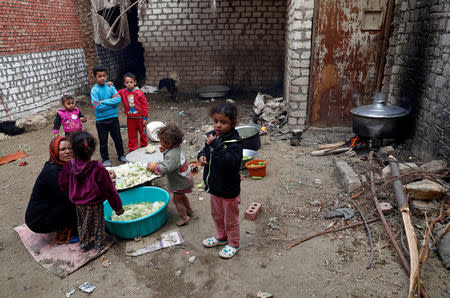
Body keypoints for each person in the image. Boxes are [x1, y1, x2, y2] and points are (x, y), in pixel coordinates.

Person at [58, 132, 124, 252]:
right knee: (98, 224)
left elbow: (62, 183)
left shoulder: (69, 166)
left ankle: (84, 245)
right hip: (95, 203)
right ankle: (99, 245)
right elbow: (110, 191)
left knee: (83, 224)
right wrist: (118, 208)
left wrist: (73, 190)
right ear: (93, 149)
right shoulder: (97, 168)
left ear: (74, 150)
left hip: (79, 204)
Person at [198, 102, 243, 259]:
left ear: (233, 123)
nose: (218, 125)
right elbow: (205, 149)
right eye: (216, 121)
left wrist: (216, 145)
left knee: (230, 219)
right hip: (215, 187)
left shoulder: (235, 143)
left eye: (223, 122)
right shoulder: (212, 136)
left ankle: (234, 243)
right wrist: (202, 156)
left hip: (229, 190)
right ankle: (221, 237)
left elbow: (230, 163)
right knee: (216, 215)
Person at [25, 137, 78, 243]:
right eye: (63, 149)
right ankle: (68, 233)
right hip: (38, 221)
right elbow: (71, 197)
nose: (67, 152)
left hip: (48, 208)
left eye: (70, 148)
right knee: (78, 204)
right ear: (55, 152)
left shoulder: (61, 165)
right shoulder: (52, 172)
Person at [147, 124, 194, 226]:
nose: (160, 143)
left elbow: (166, 168)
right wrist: (165, 151)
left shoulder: (172, 154)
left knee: (176, 200)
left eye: (161, 141)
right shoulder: (176, 148)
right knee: (182, 196)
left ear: (168, 143)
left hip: (180, 182)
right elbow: (173, 160)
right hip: (186, 179)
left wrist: (154, 167)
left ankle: (184, 217)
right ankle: (189, 211)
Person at [90, 65, 126, 167]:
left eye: (104, 76)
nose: (102, 78)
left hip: (113, 118)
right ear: (95, 77)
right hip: (101, 120)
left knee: (117, 138)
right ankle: (105, 158)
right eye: (99, 76)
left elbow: (118, 100)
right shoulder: (94, 90)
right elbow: (97, 106)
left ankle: (121, 155)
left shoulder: (110, 86)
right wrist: (111, 104)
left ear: (106, 76)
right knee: (103, 140)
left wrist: (103, 102)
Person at [118, 72, 149, 152]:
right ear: (124, 83)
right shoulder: (122, 92)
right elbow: (114, 93)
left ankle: (144, 147)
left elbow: (145, 106)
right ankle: (133, 149)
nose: (129, 84)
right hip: (130, 118)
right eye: (127, 82)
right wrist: (109, 85)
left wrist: (145, 118)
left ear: (135, 82)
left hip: (140, 118)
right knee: (132, 135)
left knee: (143, 134)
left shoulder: (139, 93)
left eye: (131, 82)